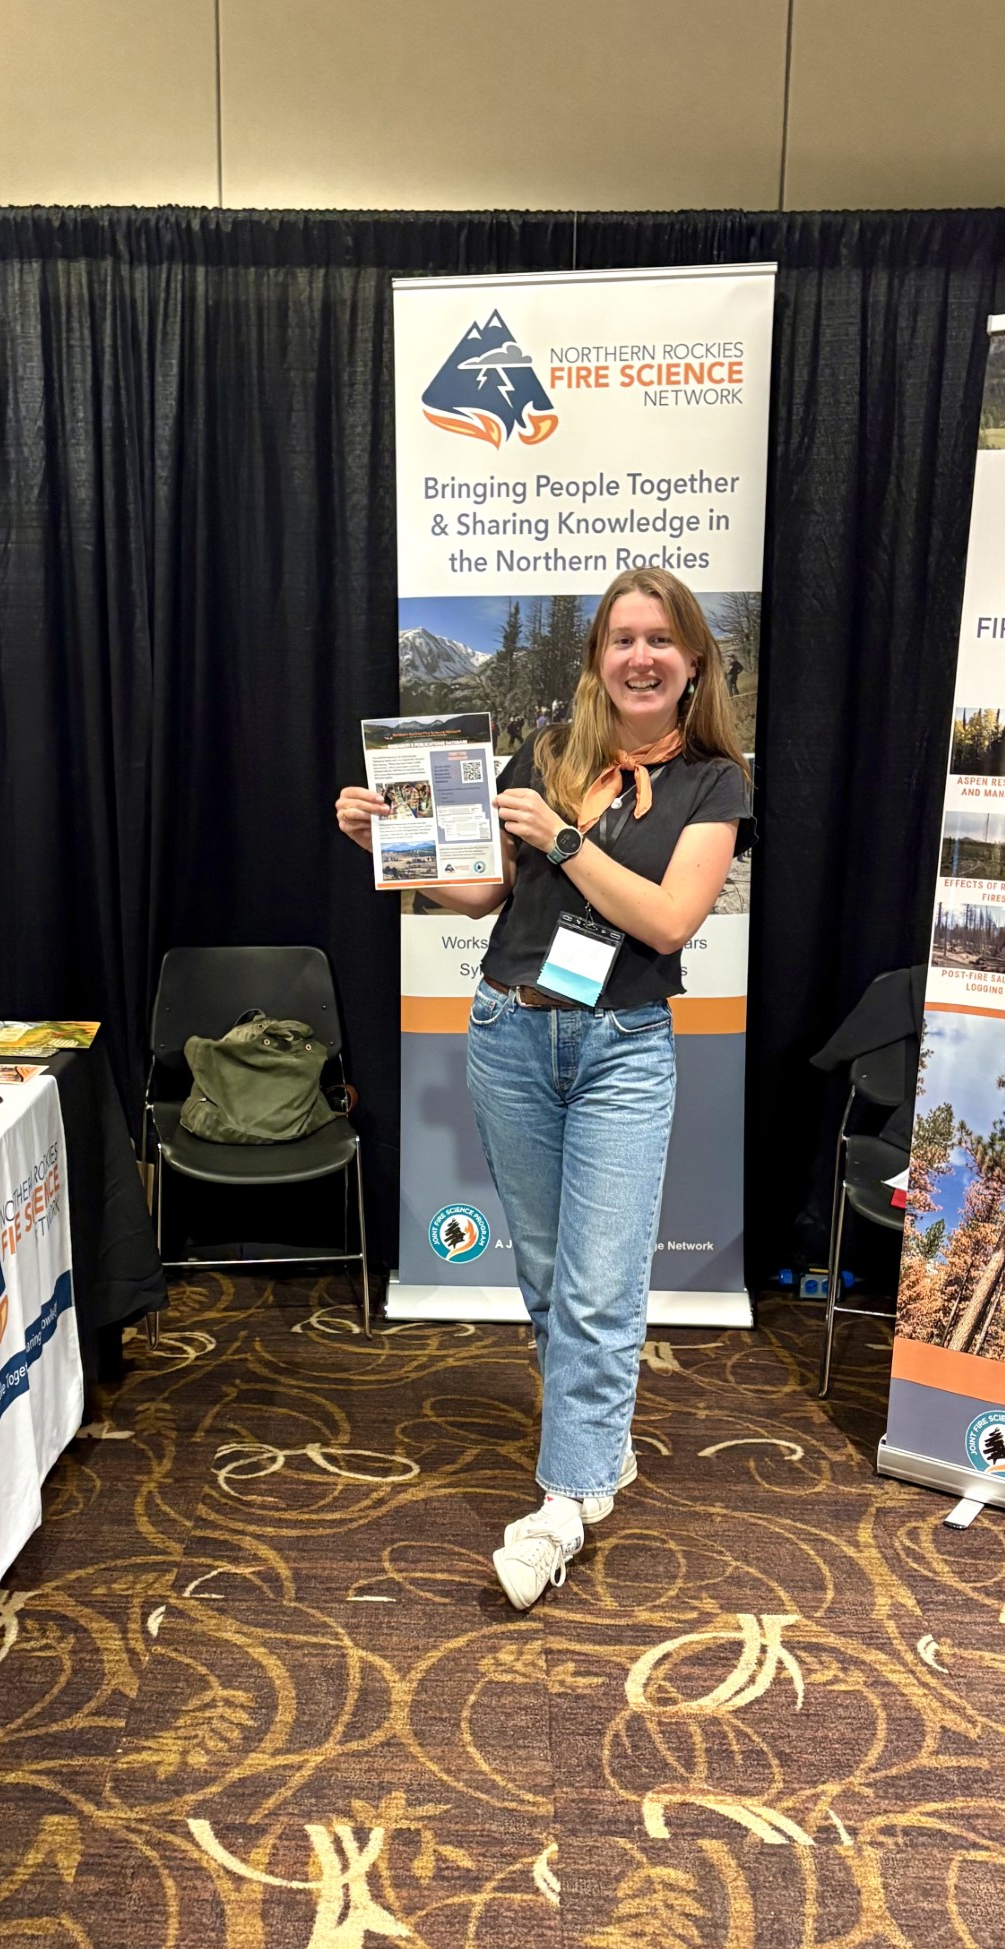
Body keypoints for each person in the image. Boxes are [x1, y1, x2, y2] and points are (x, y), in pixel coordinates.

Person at [335, 568, 752, 1610]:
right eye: (622, 640)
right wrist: (388, 843)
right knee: (553, 1273)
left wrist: (564, 838)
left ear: (692, 661)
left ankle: (562, 1503)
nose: (641, 657)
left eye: (661, 640)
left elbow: (664, 923)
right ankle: (599, 1447)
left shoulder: (714, 784)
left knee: (603, 1283)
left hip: (622, 1046)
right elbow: (480, 895)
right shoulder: (550, 756)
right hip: (509, 1033)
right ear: (598, 660)